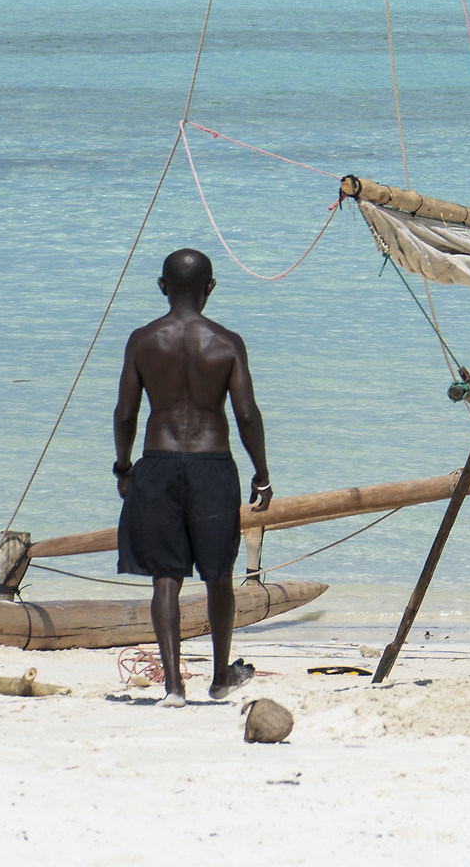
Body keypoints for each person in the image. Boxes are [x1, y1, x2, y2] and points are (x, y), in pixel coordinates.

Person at [114, 248, 273, 707]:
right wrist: (262, 473)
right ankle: (220, 678)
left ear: (162, 287)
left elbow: (125, 412)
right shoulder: (227, 342)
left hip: (157, 462)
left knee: (166, 576)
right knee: (218, 575)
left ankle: (173, 687)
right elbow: (246, 414)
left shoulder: (142, 340)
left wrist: (123, 466)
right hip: (212, 465)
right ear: (211, 288)